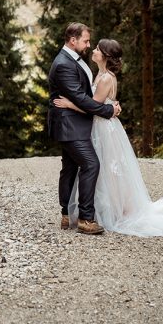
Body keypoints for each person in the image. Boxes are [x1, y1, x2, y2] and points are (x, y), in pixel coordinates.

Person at [54, 38, 163, 237]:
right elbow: (98, 103)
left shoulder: (106, 78)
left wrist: (70, 105)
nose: (93, 50)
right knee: (103, 169)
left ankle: (115, 211)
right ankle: (96, 210)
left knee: (107, 169)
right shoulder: (101, 74)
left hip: (103, 127)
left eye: (96, 48)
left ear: (104, 55)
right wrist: (111, 106)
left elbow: (92, 107)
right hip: (100, 124)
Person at [48, 23, 121, 235]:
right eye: (86, 41)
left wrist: (110, 103)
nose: (89, 45)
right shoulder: (63, 64)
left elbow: (88, 94)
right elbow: (79, 98)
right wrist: (107, 109)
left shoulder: (74, 60)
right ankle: (85, 219)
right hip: (69, 125)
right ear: (73, 40)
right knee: (91, 163)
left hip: (77, 123)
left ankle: (66, 214)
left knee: (70, 167)